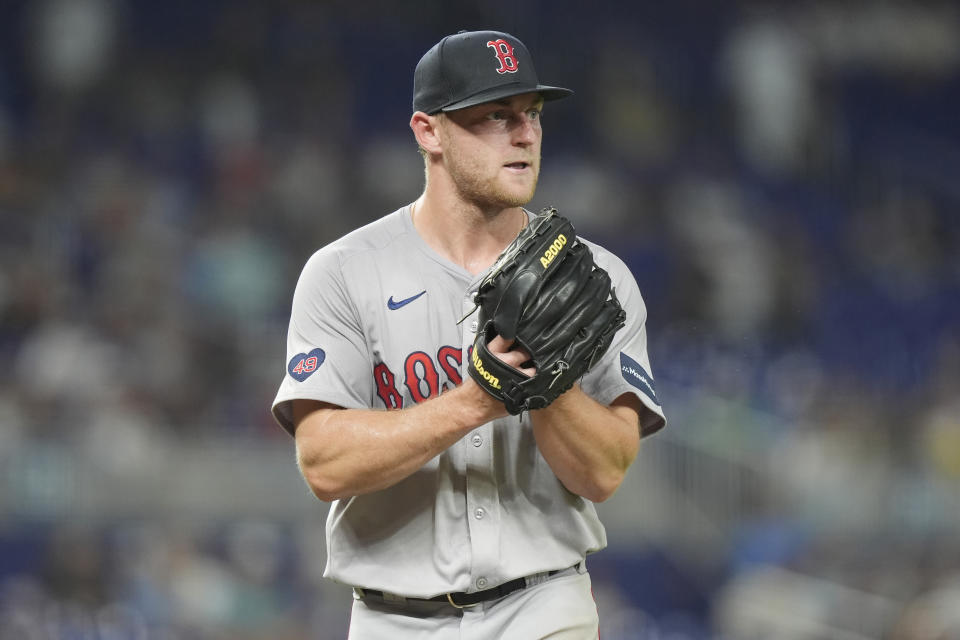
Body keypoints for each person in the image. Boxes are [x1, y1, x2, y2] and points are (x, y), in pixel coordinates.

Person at [272, 29, 666, 639]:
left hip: (545, 606)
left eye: (531, 115)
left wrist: (548, 379)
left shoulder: (595, 276)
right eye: (494, 116)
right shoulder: (346, 271)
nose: (525, 134)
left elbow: (605, 473)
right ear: (428, 131)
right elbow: (323, 464)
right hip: (392, 619)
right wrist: (475, 401)